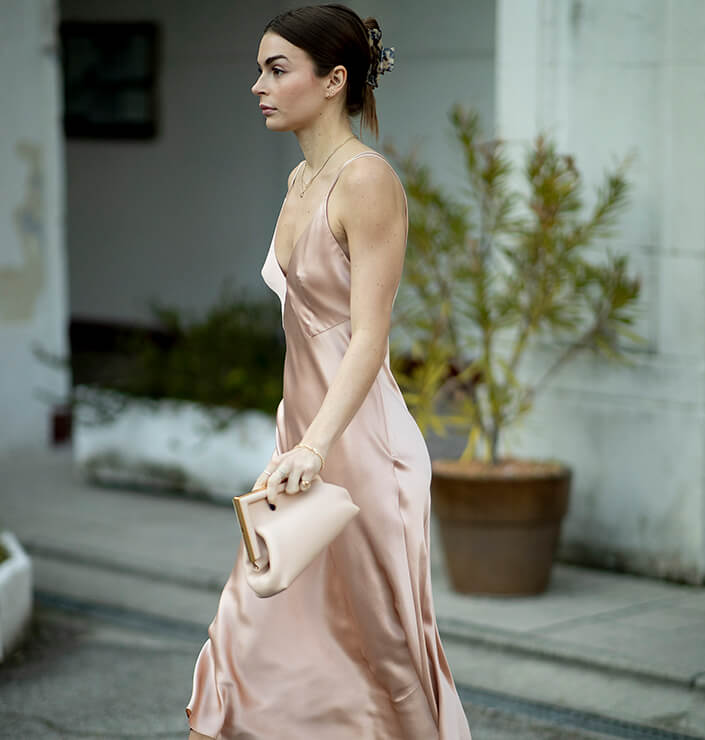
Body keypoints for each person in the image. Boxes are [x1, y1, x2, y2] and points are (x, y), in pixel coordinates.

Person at [185, 4, 472, 739]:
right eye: (259, 69)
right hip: (301, 445)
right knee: (244, 637)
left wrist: (315, 447)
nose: (258, 85)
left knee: (384, 661)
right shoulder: (297, 184)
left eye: (276, 69)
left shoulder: (365, 182)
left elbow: (368, 337)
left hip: (358, 452)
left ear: (334, 80)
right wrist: (297, 445)